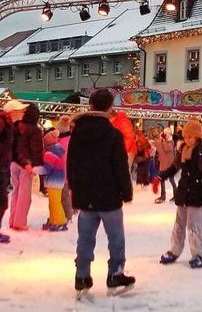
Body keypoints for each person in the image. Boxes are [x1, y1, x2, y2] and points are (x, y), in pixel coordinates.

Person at [68, 89, 134, 297]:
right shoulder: (112, 134)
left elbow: (72, 164)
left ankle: (82, 276)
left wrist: (75, 190)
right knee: (115, 238)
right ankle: (115, 274)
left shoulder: (77, 132)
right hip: (109, 196)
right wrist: (126, 192)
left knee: (85, 238)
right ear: (110, 107)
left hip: (86, 196)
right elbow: (120, 166)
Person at [158, 119, 202, 269]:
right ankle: (174, 250)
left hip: (196, 193)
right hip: (183, 192)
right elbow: (174, 167)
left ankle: (199, 255)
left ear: (197, 136)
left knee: (194, 226)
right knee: (178, 225)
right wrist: (160, 177)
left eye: (190, 137)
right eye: (186, 136)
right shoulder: (182, 149)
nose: (187, 139)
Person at [0, 99, 28, 244]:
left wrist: (24, 163)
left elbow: (12, 150)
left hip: (0, 169)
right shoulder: (0, 123)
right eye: (20, 110)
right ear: (12, 111)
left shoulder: (9, 126)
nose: (23, 113)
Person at [10, 103, 44, 231]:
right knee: (24, 195)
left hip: (14, 162)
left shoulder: (17, 126)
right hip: (26, 164)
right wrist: (35, 165)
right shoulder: (35, 130)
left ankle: (13, 220)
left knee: (15, 192)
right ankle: (20, 222)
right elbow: (36, 149)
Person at [36, 128, 69, 231]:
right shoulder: (59, 150)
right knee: (54, 202)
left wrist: (35, 170)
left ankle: (60, 221)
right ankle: (54, 220)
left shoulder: (49, 153)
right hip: (59, 180)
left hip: (53, 181)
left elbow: (47, 169)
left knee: (55, 202)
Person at [56, 115, 74, 221]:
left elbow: (62, 158)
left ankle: (67, 215)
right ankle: (67, 214)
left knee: (63, 195)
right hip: (66, 172)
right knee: (64, 194)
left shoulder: (62, 142)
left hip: (62, 172)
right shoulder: (69, 140)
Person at [154, 128, 176, 204]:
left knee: (171, 180)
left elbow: (167, 148)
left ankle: (176, 195)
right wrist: (159, 138)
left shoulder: (171, 142)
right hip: (163, 164)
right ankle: (163, 196)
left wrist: (162, 141)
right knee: (162, 180)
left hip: (170, 164)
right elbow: (157, 146)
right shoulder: (162, 141)